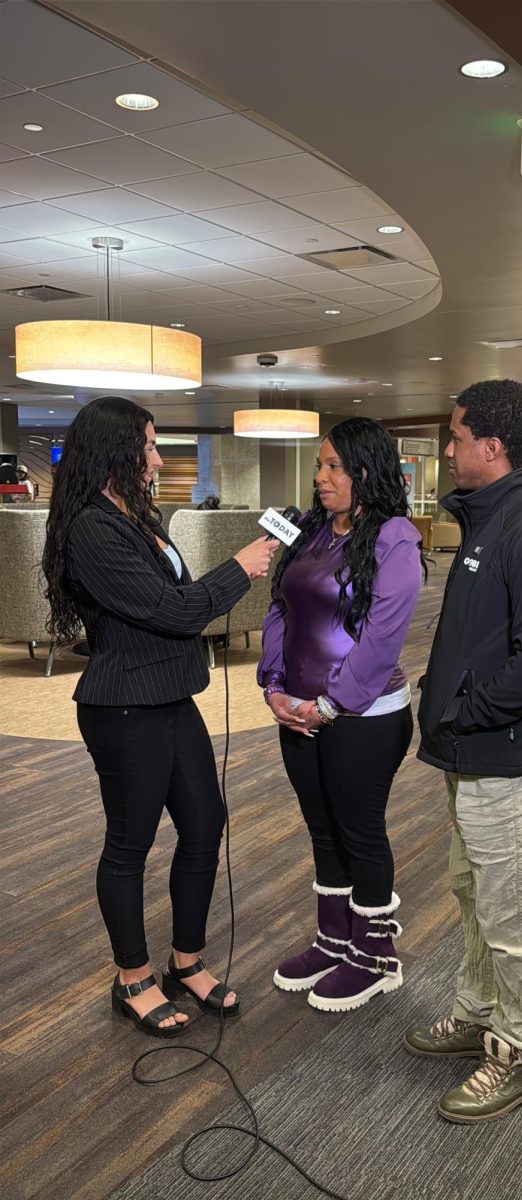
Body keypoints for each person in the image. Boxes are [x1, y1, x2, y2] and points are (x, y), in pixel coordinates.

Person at [42, 396, 279, 1039]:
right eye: (147, 444)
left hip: (170, 698)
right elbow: (173, 612)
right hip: (123, 707)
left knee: (206, 824)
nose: (157, 455)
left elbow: (170, 597)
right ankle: (133, 979)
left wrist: (219, 578)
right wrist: (240, 569)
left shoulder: (135, 515)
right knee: (130, 843)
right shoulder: (92, 528)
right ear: (113, 450)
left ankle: (186, 960)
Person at [405, 379, 522, 1122]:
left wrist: (463, 709)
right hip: (469, 753)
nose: (447, 448)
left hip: (506, 758)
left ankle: (518, 1053)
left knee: (512, 916)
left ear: (491, 446)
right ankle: (478, 1016)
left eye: (454, 437)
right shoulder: (485, 519)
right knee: (473, 897)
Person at [257, 417, 423, 1012]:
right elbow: (281, 608)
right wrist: (273, 685)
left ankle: (376, 956)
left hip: (366, 715)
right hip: (298, 711)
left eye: (334, 467)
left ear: (365, 472)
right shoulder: (309, 531)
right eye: (319, 465)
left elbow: (383, 638)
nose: (320, 477)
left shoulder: (394, 537)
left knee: (359, 830)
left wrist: (330, 704)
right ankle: (333, 941)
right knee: (321, 828)